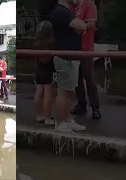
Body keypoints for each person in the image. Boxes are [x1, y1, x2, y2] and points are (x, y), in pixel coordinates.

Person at [50, 0, 87, 132]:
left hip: (70, 58)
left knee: (68, 91)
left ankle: (67, 119)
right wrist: (81, 26)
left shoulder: (65, 12)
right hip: (65, 58)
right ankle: (60, 122)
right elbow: (81, 26)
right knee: (64, 91)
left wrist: (81, 27)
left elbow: (80, 28)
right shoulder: (61, 12)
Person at [70, 0, 101, 119]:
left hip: (86, 48)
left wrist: (78, 27)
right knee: (76, 79)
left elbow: (91, 24)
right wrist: (81, 26)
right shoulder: (72, 6)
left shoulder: (89, 4)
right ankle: (81, 104)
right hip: (74, 48)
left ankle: (95, 108)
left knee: (89, 78)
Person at [33, 21, 56, 126]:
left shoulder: (36, 42)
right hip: (48, 69)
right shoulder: (51, 42)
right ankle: (47, 117)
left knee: (38, 92)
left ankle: (39, 115)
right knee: (48, 94)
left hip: (39, 68)